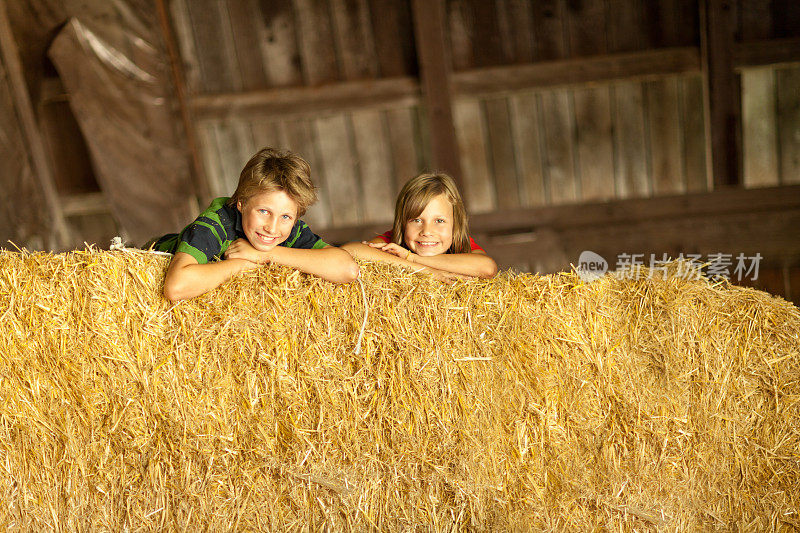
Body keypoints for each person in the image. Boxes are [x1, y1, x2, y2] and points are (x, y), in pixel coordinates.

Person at [147, 147, 359, 301]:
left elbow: (347, 269)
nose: (272, 228)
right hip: (155, 251)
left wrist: (264, 255)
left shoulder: (290, 231)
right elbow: (176, 287)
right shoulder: (218, 221)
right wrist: (239, 265)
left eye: (286, 216)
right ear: (241, 202)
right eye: (264, 211)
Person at [341, 173, 498, 280]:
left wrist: (412, 257)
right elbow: (350, 250)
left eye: (439, 221)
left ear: (455, 224)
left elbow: (488, 268)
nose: (427, 231)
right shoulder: (392, 242)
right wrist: (423, 270)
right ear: (402, 223)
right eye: (416, 220)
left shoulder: (458, 240)